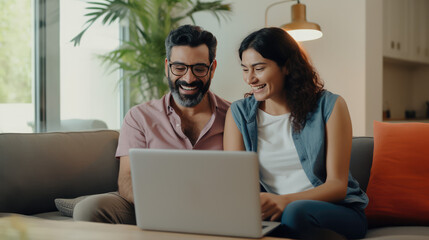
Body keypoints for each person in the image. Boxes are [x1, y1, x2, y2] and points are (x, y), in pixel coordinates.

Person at [73, 25, 230, 224]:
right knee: (90, 209)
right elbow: (127, 180)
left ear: (212, 68)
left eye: (199, 69)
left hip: (215, 209)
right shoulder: (139, 117)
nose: (189, 79)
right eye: (179, 68)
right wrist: (169, 206)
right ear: (167, 67)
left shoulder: (233, 116)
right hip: (153, 205)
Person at [223, 27, 368, 239]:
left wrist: (285, 201)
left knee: (294, 212)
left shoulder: (330, 106)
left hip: (334, 211)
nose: (250, 79)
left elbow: (337, 186)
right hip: (272, 216)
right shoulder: (238, 114)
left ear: (287, 66)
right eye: (245, 69)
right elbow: (237, 185)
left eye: (259, 68)